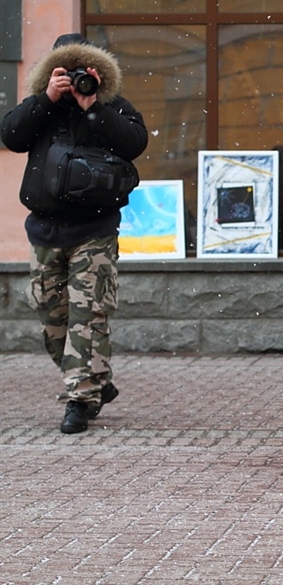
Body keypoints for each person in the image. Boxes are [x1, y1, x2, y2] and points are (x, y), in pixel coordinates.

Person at [0, 33, 148, 434]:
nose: (76, 78)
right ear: (53, 70)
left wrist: (93, 108)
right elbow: (10, 135)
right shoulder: (41, 106)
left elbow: (135, 142)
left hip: (94, 229)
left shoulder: (108, 103)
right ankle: (96, 379)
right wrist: (47, 98)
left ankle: (80, 400)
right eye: (67, 71)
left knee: (88, 313)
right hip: (45, 230)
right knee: (52, 319)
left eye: (84, 71)